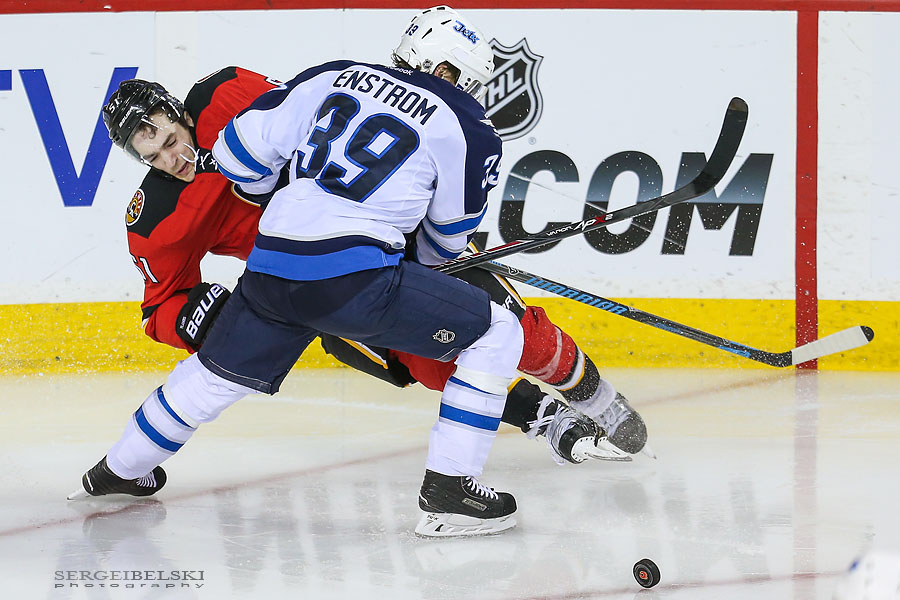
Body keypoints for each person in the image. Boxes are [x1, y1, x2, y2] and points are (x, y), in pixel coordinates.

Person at [70, 6, 645, 537]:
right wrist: (191, 318)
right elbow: (160, 306)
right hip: (352, 269)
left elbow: (279, 137)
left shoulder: (235, 92)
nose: (173, 159)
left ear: (178, 112)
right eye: (153, 157)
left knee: (211, 380)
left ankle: (117, 469)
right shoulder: (157, 217)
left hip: (277, 272)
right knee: (468, 340)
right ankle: (485, 464)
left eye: (172, 139)